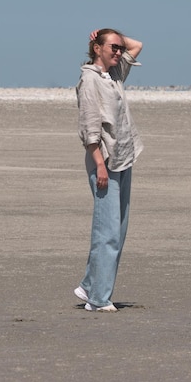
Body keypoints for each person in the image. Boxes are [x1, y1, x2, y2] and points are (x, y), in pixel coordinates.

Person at [74, 28, 143, 312]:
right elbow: (89, 127)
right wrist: (100, 165)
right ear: (96, 49)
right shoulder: (90, 81)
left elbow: (137, 45)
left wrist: (112, 33)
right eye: (111, 47)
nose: (118, 51)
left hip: (123, 157)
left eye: (118, 47)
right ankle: (98, 299)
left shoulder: (112, 75)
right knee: (108, 232)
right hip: (104, 162)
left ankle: (89, 285)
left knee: (118, 229)